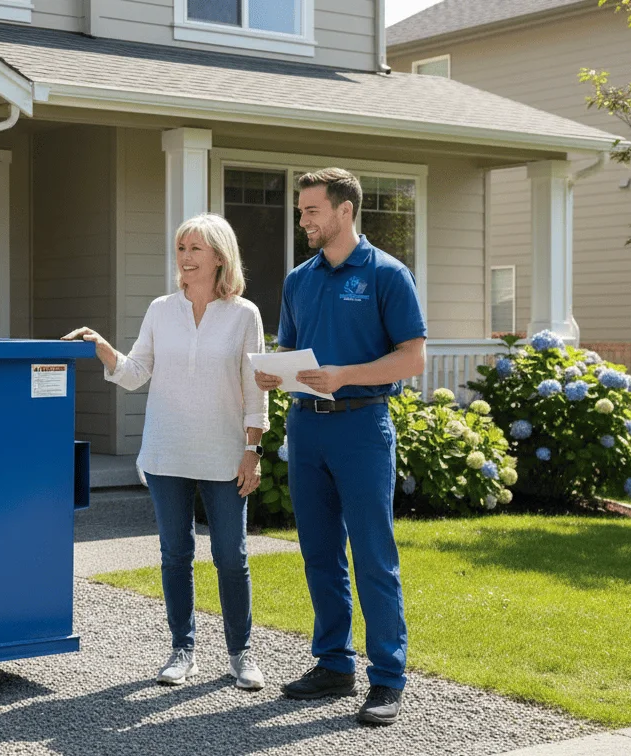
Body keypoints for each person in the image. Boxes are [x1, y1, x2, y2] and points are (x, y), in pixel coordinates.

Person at [63, 213, 270, 690]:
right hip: (166, 451)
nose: (185, 257)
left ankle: (241, 654)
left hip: (224, 453)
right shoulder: (161, 309)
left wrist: (251, 450)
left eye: (195, 248)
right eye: (181, 248)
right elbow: (136, 372)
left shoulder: (245, 315)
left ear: (220, 256)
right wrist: (100, 346)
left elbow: (255, 390)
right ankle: (183, 650)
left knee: (231, 556)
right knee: (175, 553)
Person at [253, 168, 426, 726]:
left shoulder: (387, 275)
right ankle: (333, 665)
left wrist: (346, 375)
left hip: (361, 426)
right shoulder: (298, 280)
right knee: (319, 552)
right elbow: (291, 350)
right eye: (301, 211)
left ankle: (387, 679)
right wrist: (272, 376)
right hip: (307, 427)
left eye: (311, 211)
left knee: (374, 555)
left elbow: (412, 358)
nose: (302, 220)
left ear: (344, 211)